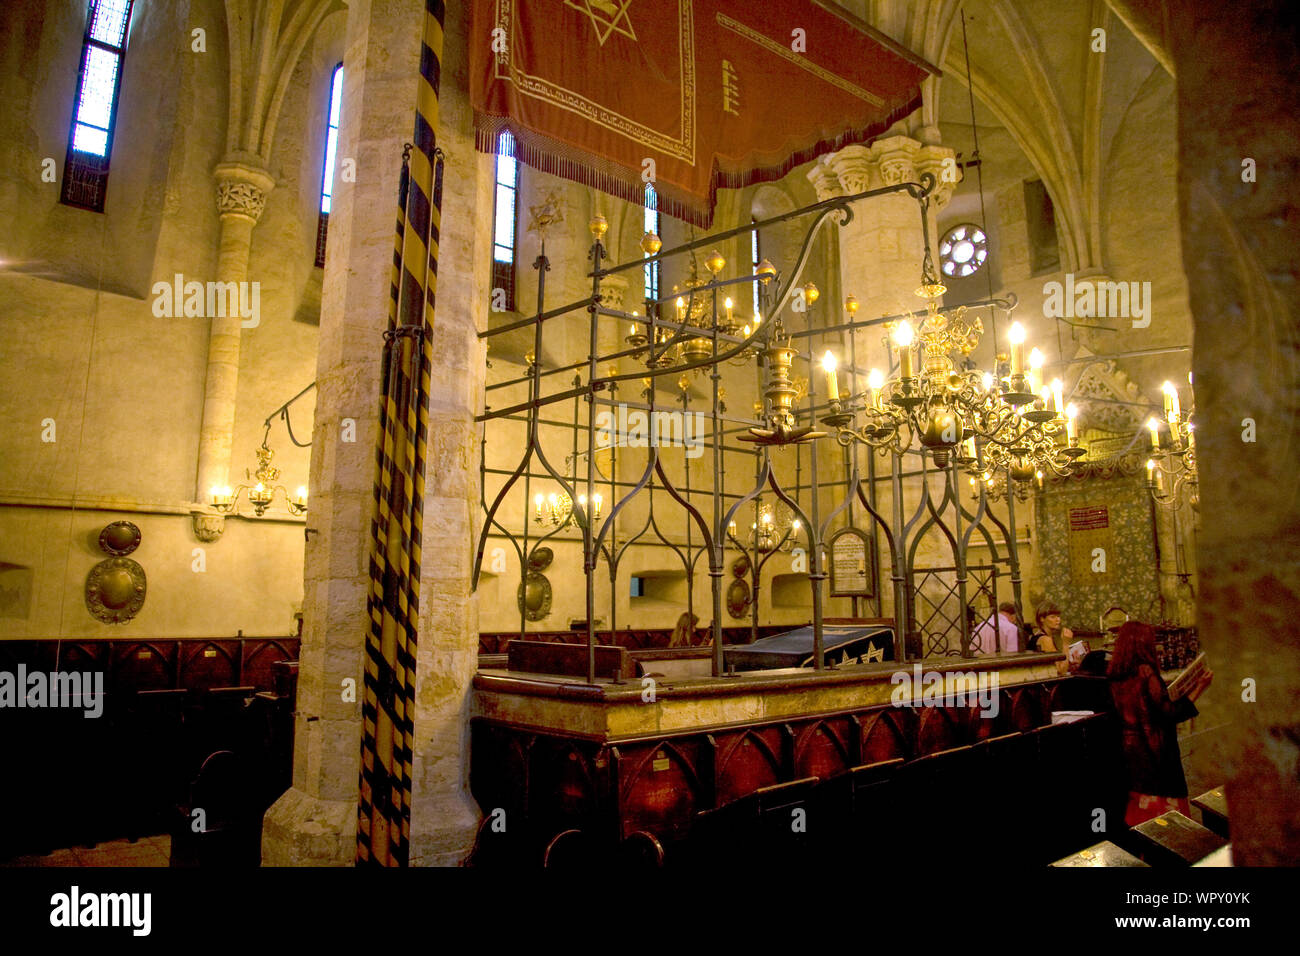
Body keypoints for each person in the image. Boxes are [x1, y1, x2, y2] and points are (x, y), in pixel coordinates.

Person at [1108, 621, 1213, 826]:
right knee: (1168, 816)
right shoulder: (1146, 671)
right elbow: (1169, 713)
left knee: (1141, 810)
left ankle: (1145, 846)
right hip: (1154, 750)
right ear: (1142, 644)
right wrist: (1199, 687)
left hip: (1131, 750)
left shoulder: (1115, 675)